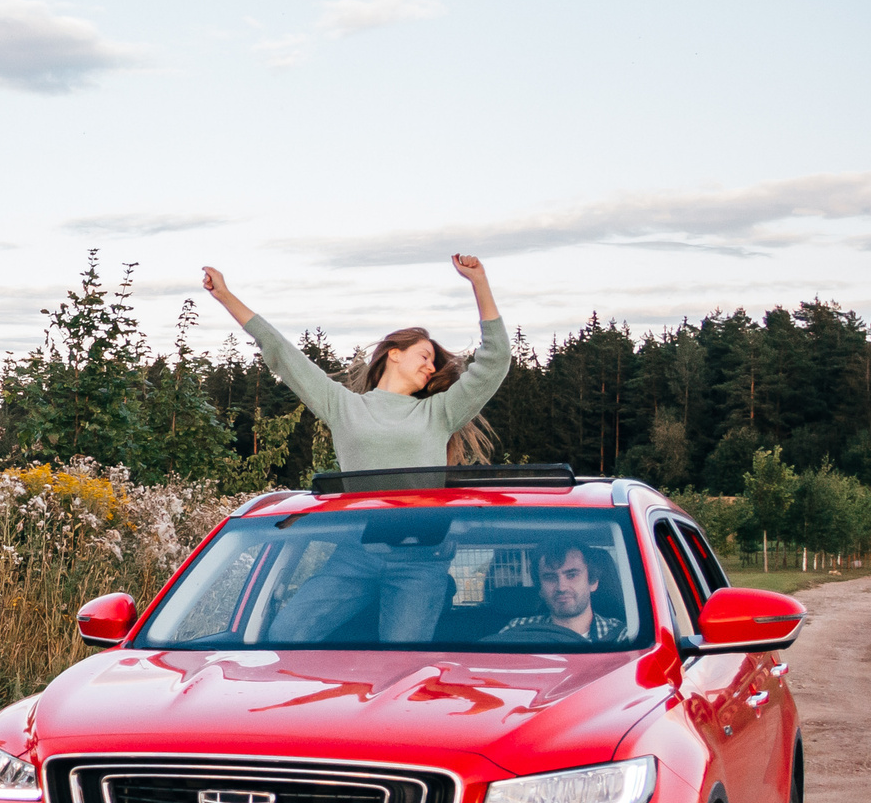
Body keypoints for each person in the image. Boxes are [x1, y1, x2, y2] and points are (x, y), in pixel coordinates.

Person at [209, 255, 513, 644]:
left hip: (420, 560)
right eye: (424, 355)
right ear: (394, 353)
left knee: (401, 660)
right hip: (356, 554)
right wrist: (226, 296)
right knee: (286, 634)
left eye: (434, 363)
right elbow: (283, 353)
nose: (431, 367)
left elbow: (495, 361)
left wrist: (479, 282)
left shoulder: (438, 412)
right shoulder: (344, 406)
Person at [499, 545, 625, 644]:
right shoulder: (518, 630)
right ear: (540, 589)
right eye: (550, 577)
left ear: (592, 582)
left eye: (572, 575)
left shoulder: (621, 636)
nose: (561, 587)